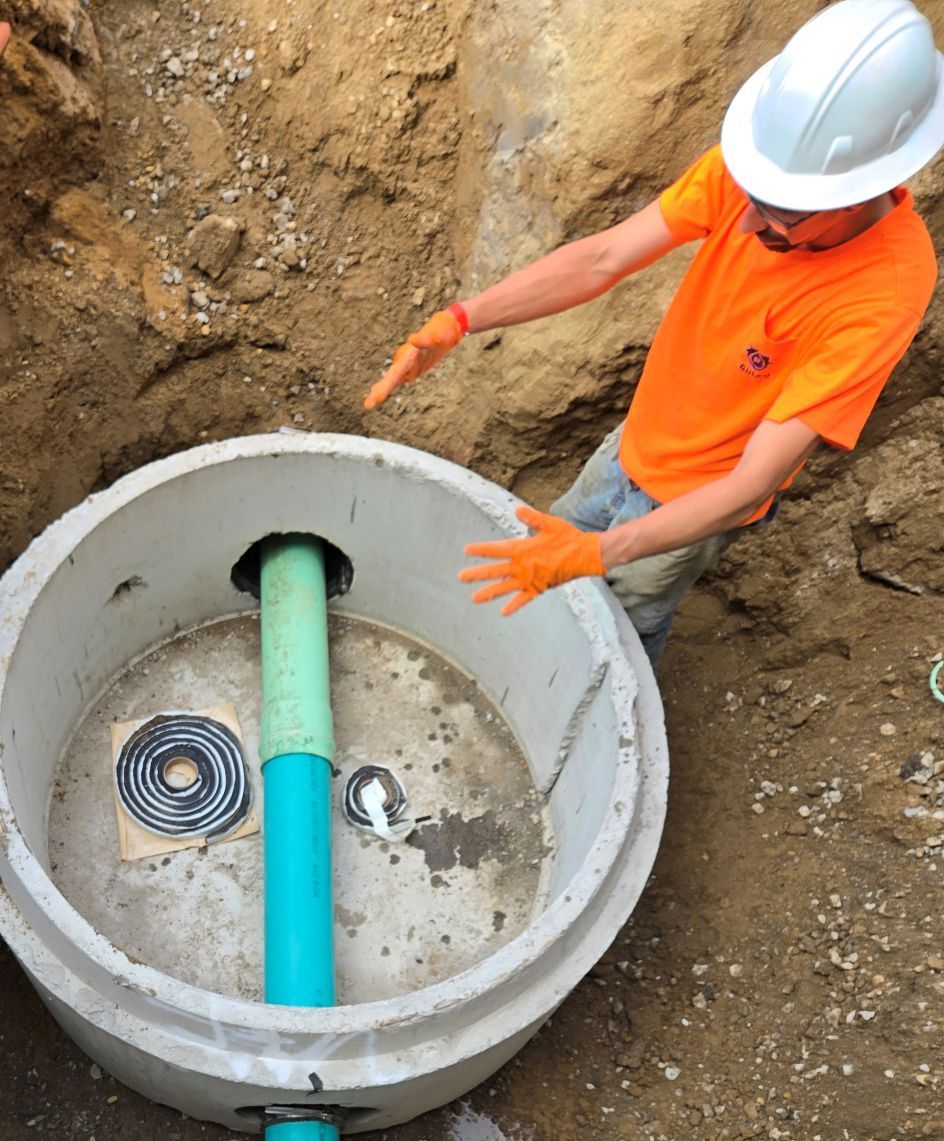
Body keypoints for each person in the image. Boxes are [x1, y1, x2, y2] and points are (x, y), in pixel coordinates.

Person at [364, 0, 944, 664]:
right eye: (752, 198)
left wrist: (602, 553)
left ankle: (609, 724)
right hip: (635, 440)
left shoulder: (885, 288)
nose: (747, 225)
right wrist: (462, 319)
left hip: (701, 496)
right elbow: (603, 257)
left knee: (622, 627)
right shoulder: (763, 170)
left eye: (780, 216)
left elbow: (750, 484)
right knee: (553, 553)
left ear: (864, 187)